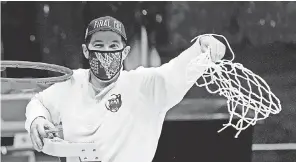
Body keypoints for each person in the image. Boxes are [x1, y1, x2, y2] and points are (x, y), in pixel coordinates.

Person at [25, 16, 226, 162]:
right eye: (99, 46)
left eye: (113, 47)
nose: (105, 53)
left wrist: (202, 48)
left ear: (125, 53)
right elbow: (39, 102)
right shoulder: (70, 83)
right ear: (86, 51)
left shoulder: (143, 86)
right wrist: (37, 119)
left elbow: (176, 72)